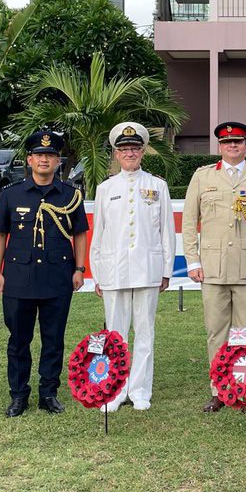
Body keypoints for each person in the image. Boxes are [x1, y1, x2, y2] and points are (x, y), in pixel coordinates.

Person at [182, 120, 246, 413]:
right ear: (219, 146)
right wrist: (193, 260)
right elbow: (190, 222)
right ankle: (219, 389)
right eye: (227, 142)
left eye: (238, 142)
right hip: (213, 268)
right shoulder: (202, 177)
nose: (232, 146)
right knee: (216, 331)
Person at [0, 127, 89, 417]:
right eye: (39, 155)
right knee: (18, 340)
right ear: (29, 160)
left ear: (58, 161)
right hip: (18, 279)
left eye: (50, 155)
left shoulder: (70, 195)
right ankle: (18, 395)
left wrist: (80, 268)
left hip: (58, 277)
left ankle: (49, 393)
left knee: (53, 338)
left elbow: (80, 233)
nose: (44, 160)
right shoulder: (11, 194)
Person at [90, 122, 174, 412]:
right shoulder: (105, 188)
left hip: (147, 269)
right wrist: (97, 273)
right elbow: (98, 233)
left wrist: (165, 270)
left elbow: (166, 231)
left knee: (145, 331)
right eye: (124, 149)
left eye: (135, 148)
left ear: (142, 151)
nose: (130, 153)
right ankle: (114, 390)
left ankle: (139, 390)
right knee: (115, 333)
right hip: (114, 270)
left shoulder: (157, 185)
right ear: (115, 153)